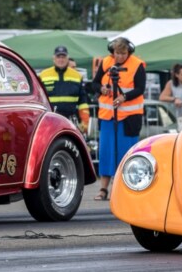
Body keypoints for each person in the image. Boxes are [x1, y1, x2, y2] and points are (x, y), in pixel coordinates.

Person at [92, 37, 146, 201]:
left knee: (126, 153)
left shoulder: (137, 65)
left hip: (129, 118)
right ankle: (103, 189)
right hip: (108, 116)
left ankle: (125, 189)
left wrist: (124, 97)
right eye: (117, 53)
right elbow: (93, 84)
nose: (120, 57)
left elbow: (140, 88)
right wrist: (102, 89)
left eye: (123, 53)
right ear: (112, 52)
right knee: (106, 152)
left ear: (129, 52)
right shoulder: (106, 62)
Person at [39, 46, 90, 130]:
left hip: (70, 120)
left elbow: (83, 102)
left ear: (68, 59)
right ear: (53, 58)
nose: (61, 59)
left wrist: (85, 121)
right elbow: (39, 100)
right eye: (58, 57)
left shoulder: (77, 76)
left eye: (63, 57)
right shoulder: (43, 75)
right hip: (50, 120)